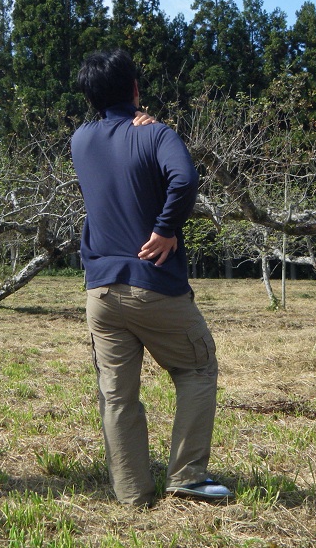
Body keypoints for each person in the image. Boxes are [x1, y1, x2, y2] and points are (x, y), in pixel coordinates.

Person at [70, 49, 232, 507]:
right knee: (197, 368)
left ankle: (132, 494)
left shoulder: (79, 141)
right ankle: (187, 475)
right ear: (136, 89)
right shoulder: (157, 134)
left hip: (99, 290)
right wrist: (164, 229)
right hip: (153, 284)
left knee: (117, 396)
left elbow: (112, 144)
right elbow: (184, 179)